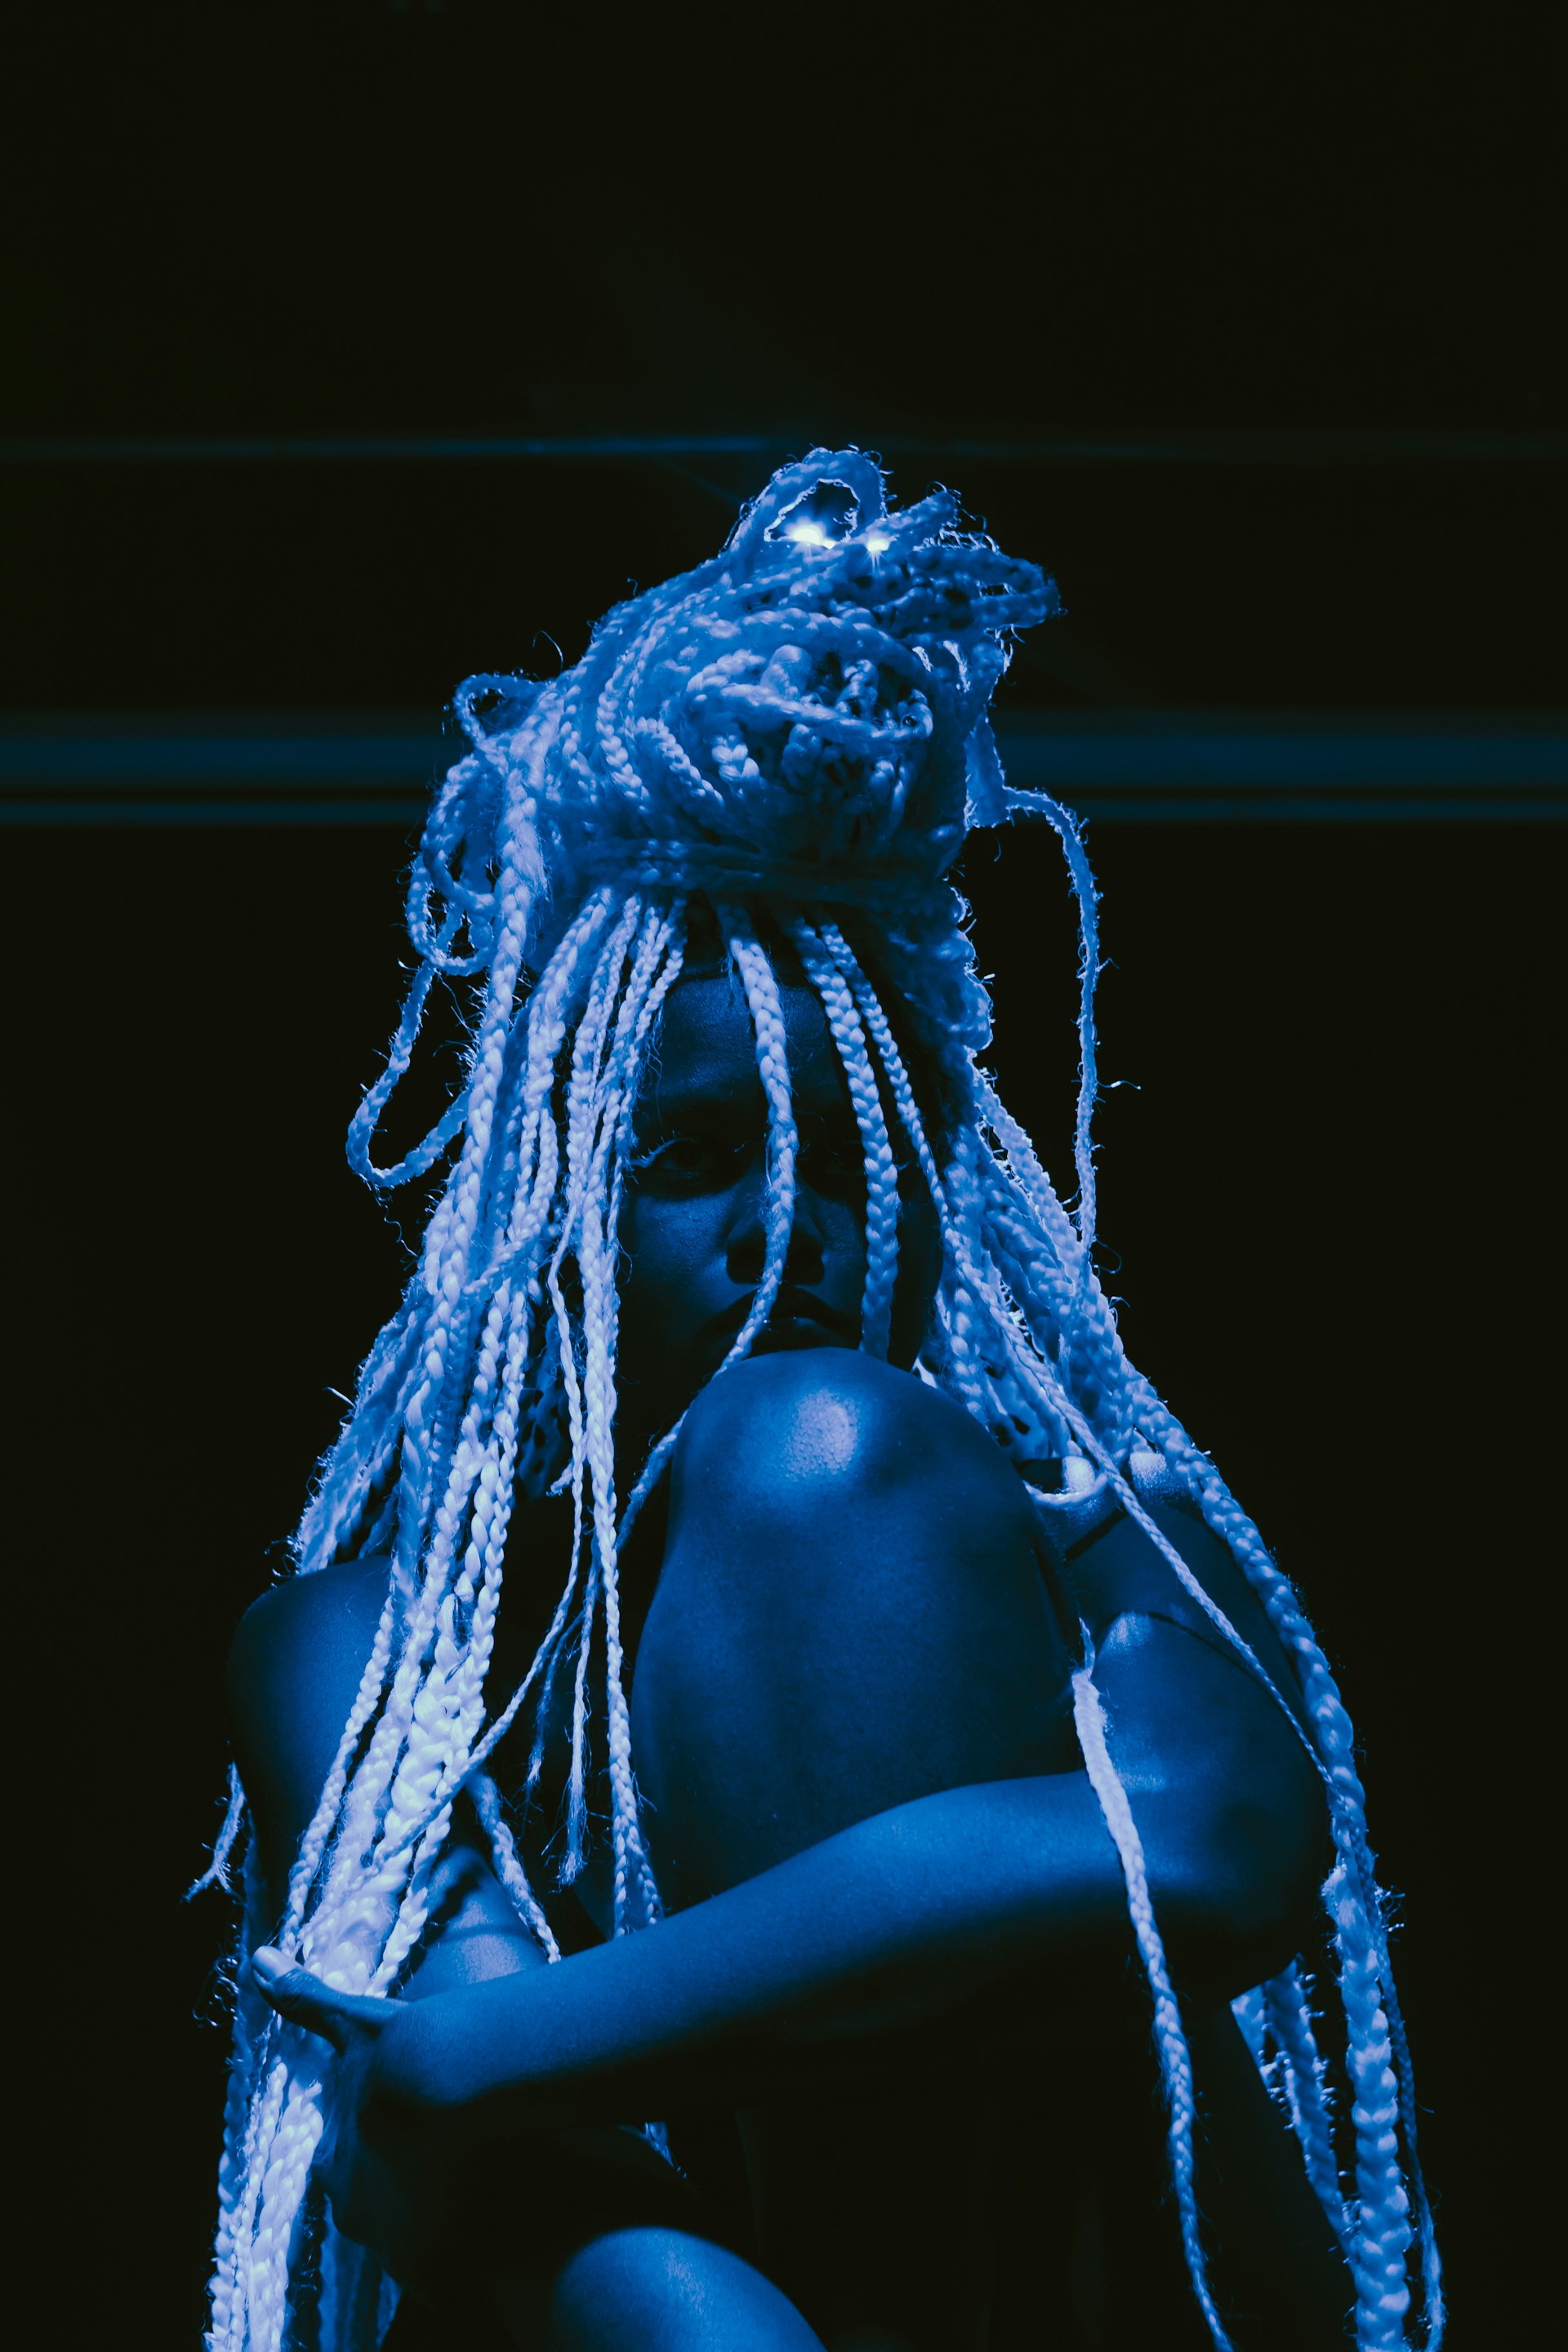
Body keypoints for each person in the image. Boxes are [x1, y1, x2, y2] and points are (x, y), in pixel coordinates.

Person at [198, 452, 1440, 2352]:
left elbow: (1209, 1850)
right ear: (557, 1209)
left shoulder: (1092, 1520)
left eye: (854, 1143)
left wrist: (491, 2050)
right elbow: (539, 2214)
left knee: (816, 1452)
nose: (792, 1210)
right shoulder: (382, 1649)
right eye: (695, 1145)